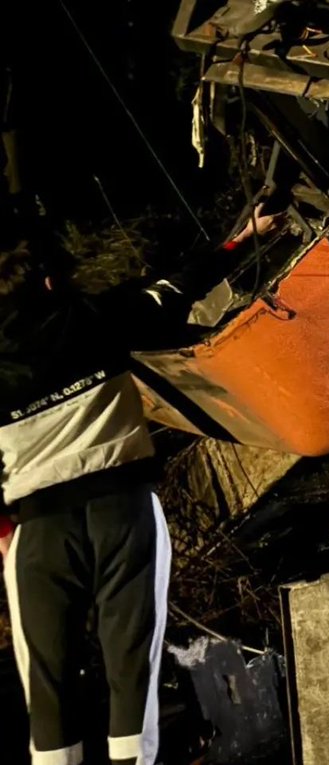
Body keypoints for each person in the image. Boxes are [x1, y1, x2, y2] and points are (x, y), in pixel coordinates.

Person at [0, 205, 280, 765]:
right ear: (50, 280)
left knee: (48, 687)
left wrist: (4, 533)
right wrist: (243, 240)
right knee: (133, 668)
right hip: (120, 511)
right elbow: (171, 291)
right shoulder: (91, 317)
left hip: (38, 533)